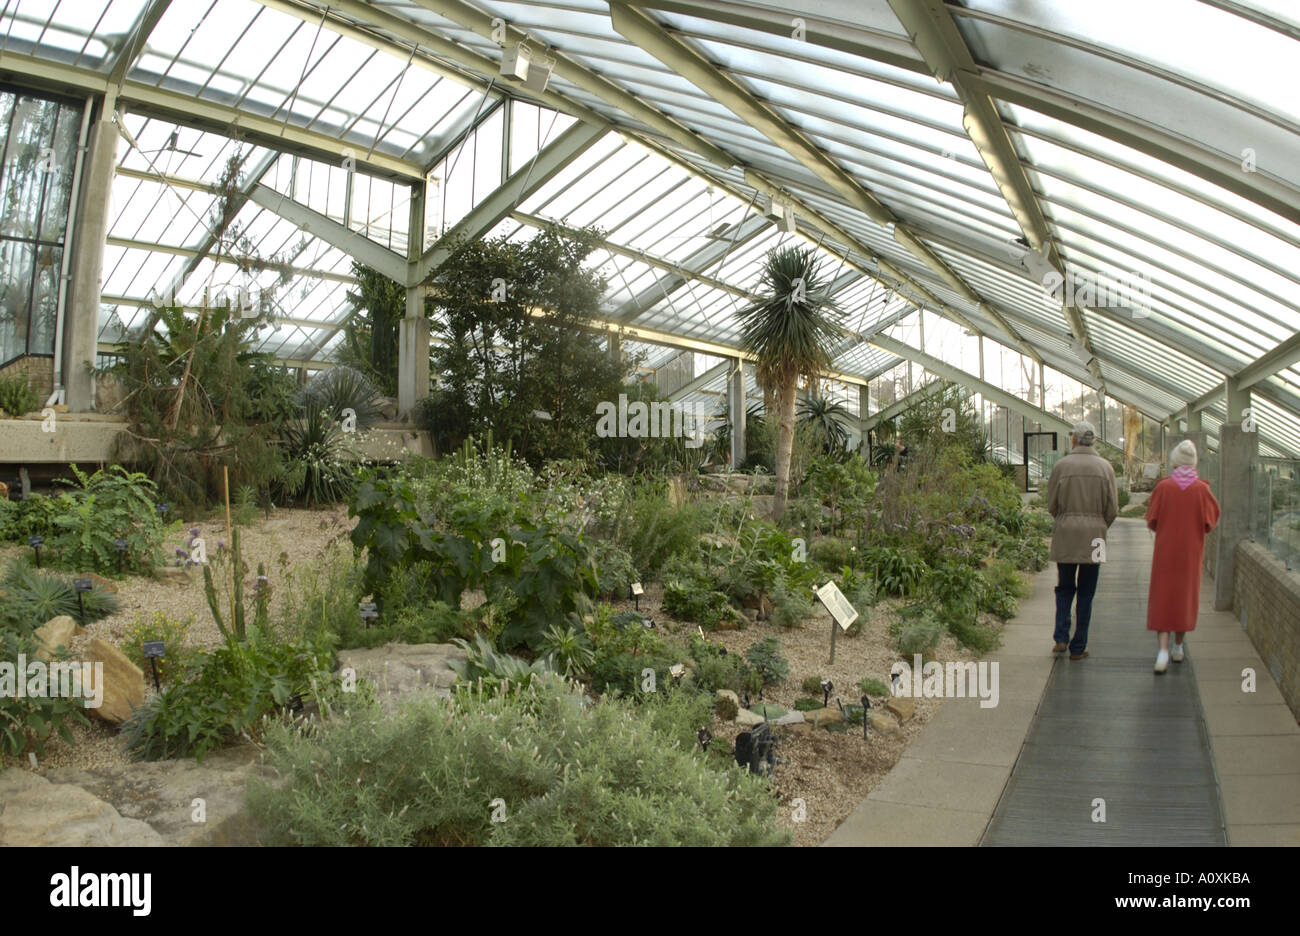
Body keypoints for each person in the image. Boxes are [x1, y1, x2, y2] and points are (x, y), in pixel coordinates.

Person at [1145, 440, 1220, 673]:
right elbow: (1210, 522)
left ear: (1175, 462)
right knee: (1184, 598)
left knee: (1163, 598)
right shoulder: (1202, 490)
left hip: (1165, 554)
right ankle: (1178, 647)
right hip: (1190, 555)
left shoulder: (1163, 488)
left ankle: (1162, 651)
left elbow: (1152, 520)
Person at [1046, 420, 1118, 660]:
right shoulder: (1105, 468)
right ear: (1094, 440)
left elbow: (1052, 504)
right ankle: (1079, 647)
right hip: (1095, 537)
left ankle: (1060, 638)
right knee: (1087, 592)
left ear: (1074, 439)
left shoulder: (1061, 466)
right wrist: (1099, 524)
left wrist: (1065, 519)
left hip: (1066, 533)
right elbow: (1113, 509)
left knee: (1064, 588)